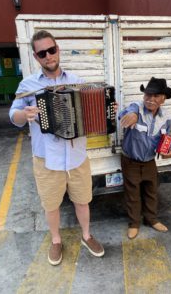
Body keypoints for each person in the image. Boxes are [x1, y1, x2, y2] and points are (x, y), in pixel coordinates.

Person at [9, 30, 105, 265]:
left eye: (51, 50)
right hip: (45, 159)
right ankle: (55, 240)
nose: (48, 56)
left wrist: (108, 109)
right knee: (51, 205)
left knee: (82, 200)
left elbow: (94, 107)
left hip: (77, 155)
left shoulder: (77, 81)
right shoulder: (27, 85)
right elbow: (13, 115)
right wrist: (25, 114)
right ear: (36, 56)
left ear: (57, 50)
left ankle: (86, 235)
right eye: (42, 53)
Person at [118, 77, 171, 239]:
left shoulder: (166, 117)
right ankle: (134, 223)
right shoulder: (136, 108)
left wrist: (170, 149)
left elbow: (168, 137)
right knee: (133, 193)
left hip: (150, 161)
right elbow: (125, 114)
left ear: (163, 99)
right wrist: (133, 114)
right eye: (148, 95)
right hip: (131, 161)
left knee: (152, 191)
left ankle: (151, 219)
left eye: (156, 96)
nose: (150, 99)